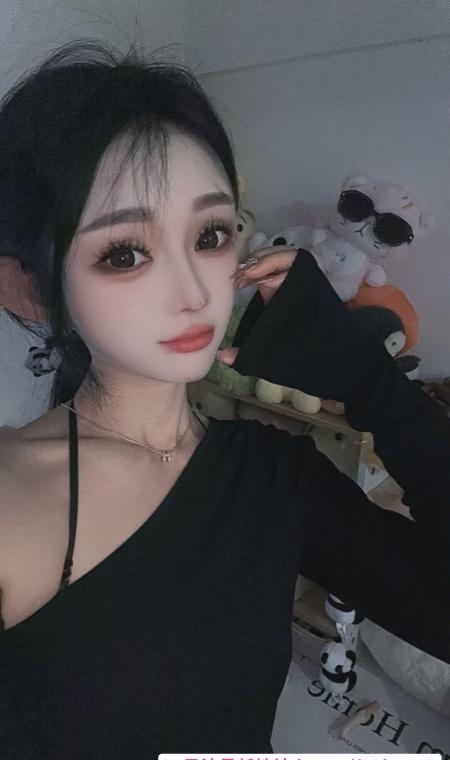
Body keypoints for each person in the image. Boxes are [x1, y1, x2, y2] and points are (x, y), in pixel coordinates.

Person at [0, 41, 449, 759]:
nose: (193, 291)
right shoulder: (11, 498)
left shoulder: (276, 476)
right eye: (125, 253)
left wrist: (369, 381)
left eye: (210, 235)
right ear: (27, 289)